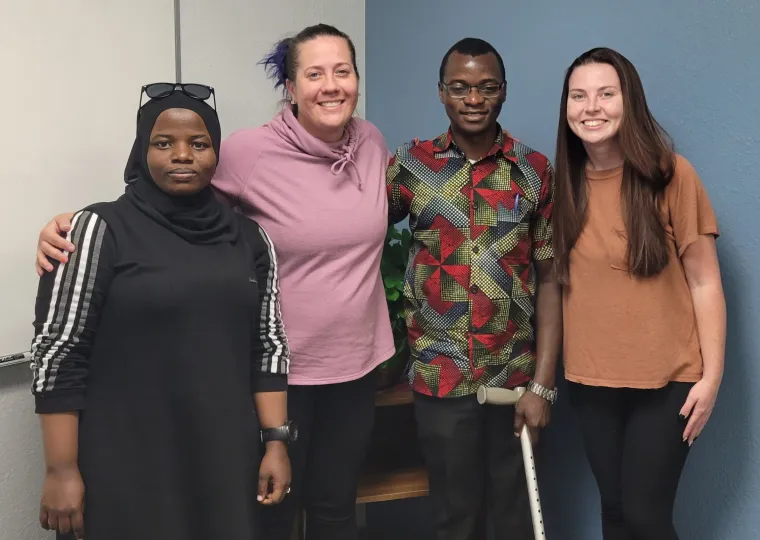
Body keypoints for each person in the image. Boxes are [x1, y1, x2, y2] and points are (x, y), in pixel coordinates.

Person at [34, 24, 394, 540]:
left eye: (342, 71)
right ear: (289, 88)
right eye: (314, 73)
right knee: (271, 514)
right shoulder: (249, 153)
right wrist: (68, 232)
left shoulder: (372, 143)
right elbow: (162, 203)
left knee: (336, 507)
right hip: (282, 379)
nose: (330, 85)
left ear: (357, 80)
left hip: (355, 367)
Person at [30, 86, 291, 540]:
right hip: (124, 461)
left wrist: (276, 444)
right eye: (163, 143)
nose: (182, 155)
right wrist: (61, 470)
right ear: (142, 149)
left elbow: (267, 348)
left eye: (199, 143)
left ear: (216, 152)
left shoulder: (250, 239)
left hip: (224, 460)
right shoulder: (98, 229)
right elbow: (58, 353)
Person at [386, 38, 562, 540]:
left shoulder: (534, 170)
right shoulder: (410, 165)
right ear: (441, 93)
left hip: (515, 379)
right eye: (460, 88)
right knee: (453, 519)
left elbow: (551, 281)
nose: (473, 99)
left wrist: (543, 384)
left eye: (486, 88)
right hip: (441, 376)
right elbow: (354, 234)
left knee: (514, 518)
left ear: (503, 92)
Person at [552, 47, 726, 540]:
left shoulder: (672, 175)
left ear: (630, 102)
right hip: (590, 381)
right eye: (579, 95)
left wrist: (711, 379)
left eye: (606, 94)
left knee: (647, 518)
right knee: (615, 512)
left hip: (667, 382)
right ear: (565, 108)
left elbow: (706, 281)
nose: (592, 107)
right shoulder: (562, 185)